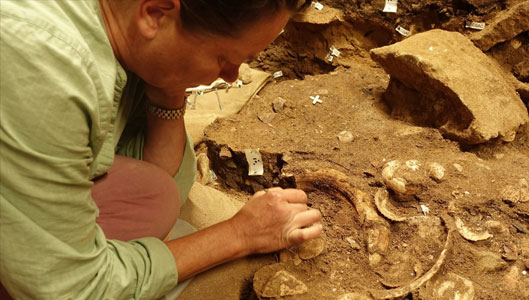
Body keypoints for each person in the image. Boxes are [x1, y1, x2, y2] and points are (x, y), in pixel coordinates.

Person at [0, 0, 322, 299]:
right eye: (224, 59)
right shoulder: (48, 71)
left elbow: (161, 177)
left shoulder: (123, 32)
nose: (231, 76)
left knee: (156, 197)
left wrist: (169, 90)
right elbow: (73, 288)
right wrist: (240, 235)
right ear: (154, 14)